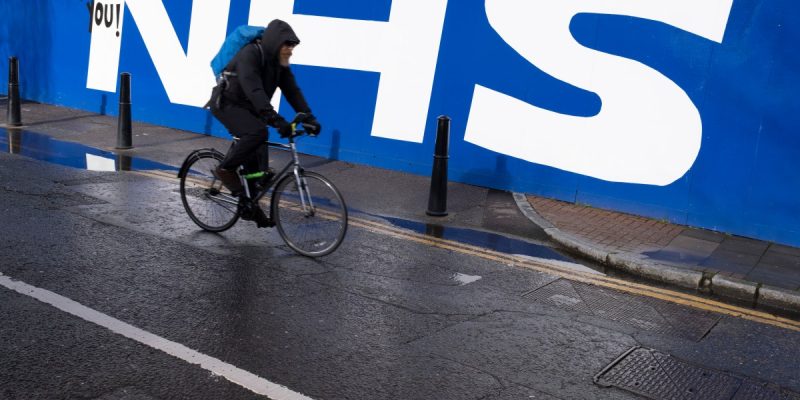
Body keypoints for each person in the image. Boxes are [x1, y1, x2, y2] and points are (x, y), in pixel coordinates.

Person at [208, 19, 321, 199]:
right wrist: (276, 120)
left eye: (293, 47)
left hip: (250, 107)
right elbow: (254, 90)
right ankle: (225, 170)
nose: (290, 50)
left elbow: (292, 91)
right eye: (288, 46)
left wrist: (308, 117)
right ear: (275, 43)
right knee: (257, 133)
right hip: (228, 103)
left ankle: (249, 205)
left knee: (258, 172)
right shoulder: (250, 54)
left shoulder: (279, 63)